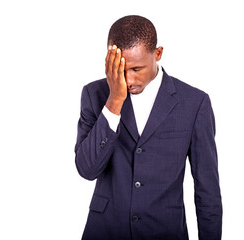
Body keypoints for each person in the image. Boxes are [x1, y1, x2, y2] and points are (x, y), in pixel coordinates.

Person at [74, 15, 222, 240]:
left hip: (165, 230)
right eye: (121, 69)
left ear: (158, 54)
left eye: (136, 69)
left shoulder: (194, 103)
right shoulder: (94, 95)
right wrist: (114, 101)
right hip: (105, 231)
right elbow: (86, 170)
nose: (128, 79)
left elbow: (207, 189)